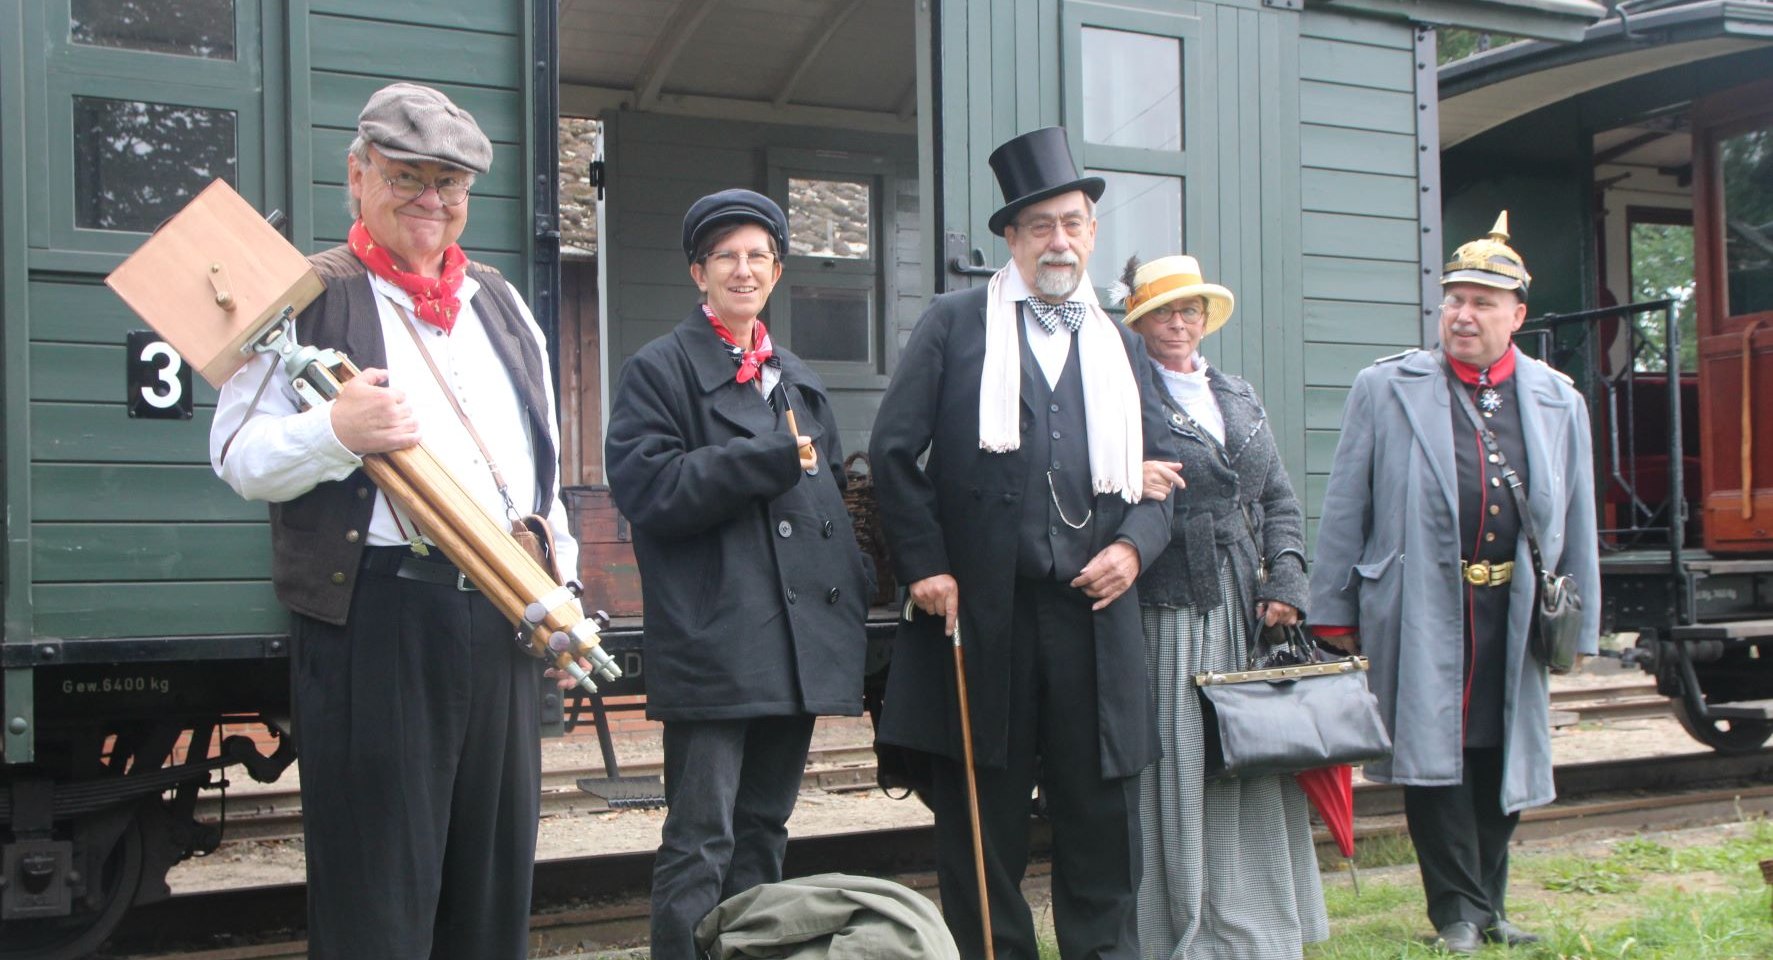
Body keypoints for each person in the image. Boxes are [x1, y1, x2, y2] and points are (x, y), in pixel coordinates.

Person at [209, 82, 573, 959]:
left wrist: (557, 587)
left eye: (449, 184)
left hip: (502, 616)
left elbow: (543, 469)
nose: (431, 201)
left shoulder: (501, 303)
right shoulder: (308, 296)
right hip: (379, 619)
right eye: (408, 177)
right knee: (380, 893)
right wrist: (333, 432)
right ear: (358, 176)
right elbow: (238, 457)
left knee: (490, 893)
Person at [870, 127, 1176, 960]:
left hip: (1093, 618)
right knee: (981, 815)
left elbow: (1164, 482)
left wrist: (1135, 550)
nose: (1059, 241)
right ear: (1010, 238)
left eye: (1073, 223)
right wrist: (925, 564)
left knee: (1099, 814)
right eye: (1040, 226)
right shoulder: (954, 324)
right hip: (985, 617)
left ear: (1092, 232)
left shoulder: (1118, 343)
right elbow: (892, 456)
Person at [1308, 213, 1600, 954]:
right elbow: (1347, 503)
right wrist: (1331, 610)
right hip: (1418, 604)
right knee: (1432, 754)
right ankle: (1457, 915)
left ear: (1517, 316)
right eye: (1453, 300)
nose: (1462, 315)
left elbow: (1576, 516)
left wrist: (1584, 621)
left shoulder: (1559, 399)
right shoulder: (1386, 387)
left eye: (1481, 303)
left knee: (1502, 754)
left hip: (1514, 607)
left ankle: (1488, 906)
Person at [603, 189, 870, 960]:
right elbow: (648, 491)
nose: (742, 270)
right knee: (699, 840)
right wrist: (763, 459)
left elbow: (830, 504)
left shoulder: (798, 377)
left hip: (795, 641)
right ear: (699, 273)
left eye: (757, 256)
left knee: (764, 831)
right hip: (719, 638)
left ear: (776, 272)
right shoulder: (658, 371)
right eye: (726, 256)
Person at [1114, 255, 1328, 959]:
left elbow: (1277, 498)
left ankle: (1255, 920)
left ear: (1205, 318)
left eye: (1190, 310)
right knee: (1179, 757)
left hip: (1244, 601)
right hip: (1169, 600)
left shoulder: (1236, 391)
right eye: (1163, 311)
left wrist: (1288, 576)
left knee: (1250, 752)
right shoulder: (1120, 392)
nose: (1179, 322)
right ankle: (1184, 923)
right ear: (1138, 319)